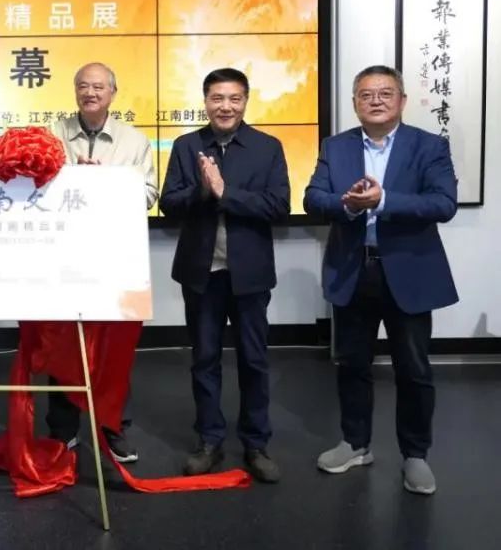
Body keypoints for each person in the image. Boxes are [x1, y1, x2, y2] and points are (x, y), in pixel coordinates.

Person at [304, 65, 457, 495]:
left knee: (414, 368)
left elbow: (443, 203)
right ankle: (356, 444)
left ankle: (415, 454)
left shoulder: (429, 146)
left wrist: (384, 199)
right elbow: (313, 198)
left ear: (402, 101)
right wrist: (349, 205)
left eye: (385, 93)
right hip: (353, 269)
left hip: (408, 271)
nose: (375, 100)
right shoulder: (335, 147)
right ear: (354, 102)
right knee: (352, 364)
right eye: (366, 94)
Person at [159, 67, 289, 483]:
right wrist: (203, 190)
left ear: (245, 101)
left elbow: (279, 206)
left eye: (234, 98)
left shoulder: (267, 147)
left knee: (254, 359)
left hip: (250, 274)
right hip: (202, 273)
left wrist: (225, 193)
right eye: (217, 98)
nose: (225, 106)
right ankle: (209, 440)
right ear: (205, 102)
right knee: (204, 359)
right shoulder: (187, 146)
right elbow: (168, 204)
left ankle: (256, 443)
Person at [46, 61, 157, 463]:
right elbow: (33, 188)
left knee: (112, 348)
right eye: (83, 86)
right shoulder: (52, 135)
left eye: (98, 87)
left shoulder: (134, 141)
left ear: (113, 92)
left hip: (114, 258)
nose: (90, 93)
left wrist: (106, 184)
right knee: (62, 344)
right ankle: (62, 432)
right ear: (74, 90)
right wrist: (73, 181)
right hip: (63, 256)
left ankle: (112, 427)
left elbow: (149, 195)